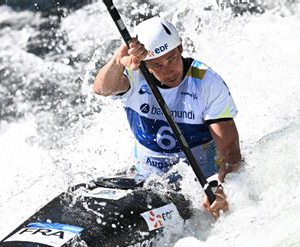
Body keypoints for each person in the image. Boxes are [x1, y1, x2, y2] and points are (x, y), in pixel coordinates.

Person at [93, 17, 242, 218]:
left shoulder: (207, 82)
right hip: (147, 181)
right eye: (157, 65)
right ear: (145, 63)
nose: (168, 70)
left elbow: (231, 153)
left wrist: (220, 189)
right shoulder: (136, 74)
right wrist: (119, 58)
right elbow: (102, 89)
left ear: (180, 47)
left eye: (171, 58)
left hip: (200, 184)